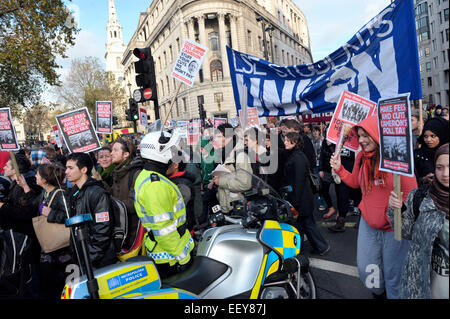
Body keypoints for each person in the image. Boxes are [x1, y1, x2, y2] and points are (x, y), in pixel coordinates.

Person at [330, 115, 417, 299]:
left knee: (395, 274)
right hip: (369, 224)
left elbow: (412, 191)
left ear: (377, 134)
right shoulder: (361, 156)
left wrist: (401, 205)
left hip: (395, 227)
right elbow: (355, 182)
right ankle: (378, 294)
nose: (361, 140)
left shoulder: (396, 155)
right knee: (366, 269)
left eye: (365, 135)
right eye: (359, 135)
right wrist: (339, 169)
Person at [388, 143, 448, 299]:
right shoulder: (420, 197)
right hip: (425, 283)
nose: (445, 173)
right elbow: (406, 233)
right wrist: (398, 209)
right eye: (439, 167)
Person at [134, 130, 194, 279]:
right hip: (171, 258)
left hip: (171, 251)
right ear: (161, 153)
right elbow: (163, 229)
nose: (176, 153)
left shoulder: (148, 176)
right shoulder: (155, 185)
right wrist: (183, 257)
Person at [65, 152, 117, 270]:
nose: (66, 171)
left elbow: (103, 230)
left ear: (83, 169)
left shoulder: (98, 193)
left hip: (98, 260)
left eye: (70, 168)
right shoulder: (75, 192)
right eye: (66, 167)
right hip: (83, 256)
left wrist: (90, 257)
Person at [284, 132, 330, 255]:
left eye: (287, 140)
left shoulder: (298, 157)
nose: (285, 142)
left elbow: (299, 182)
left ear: (294, 142)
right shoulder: (295, 155)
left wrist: (295, 203)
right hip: (302, 197)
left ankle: (319, 247)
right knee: (306, 225)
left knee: (307, 225)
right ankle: (317, 247)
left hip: (302, 198)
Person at [34, 164, 72, 299]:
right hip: (48, 249)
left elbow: (70, 216)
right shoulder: (44, 193)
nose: (35, 176)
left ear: (44, 179)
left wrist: (51, 214)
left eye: (37, 174)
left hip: (62, 251)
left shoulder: (60, 194)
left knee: (62, 285)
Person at [108, 139, 143, 250]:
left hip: (133, 233)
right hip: (122, 229)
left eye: (115, 150)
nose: (111, 153)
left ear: (126, 154)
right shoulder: (118, 172)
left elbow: (134, 204)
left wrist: (110, 204)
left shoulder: (136, 173)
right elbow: (114, 194)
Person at [211, 123, 253, 214]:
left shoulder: (240, 155)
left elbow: (245, 183)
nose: (215, 140)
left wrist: (220, 181)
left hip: (238, 208)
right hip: (227, 205)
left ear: (229, 138)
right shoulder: (225, 152)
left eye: (218, 136)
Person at [414, 117, 449, 186]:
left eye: (433, 136)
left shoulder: (447, 153)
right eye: (425, 136)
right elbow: (411, 181)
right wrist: (423, 179)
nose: (428, 140)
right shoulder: (417, 155)